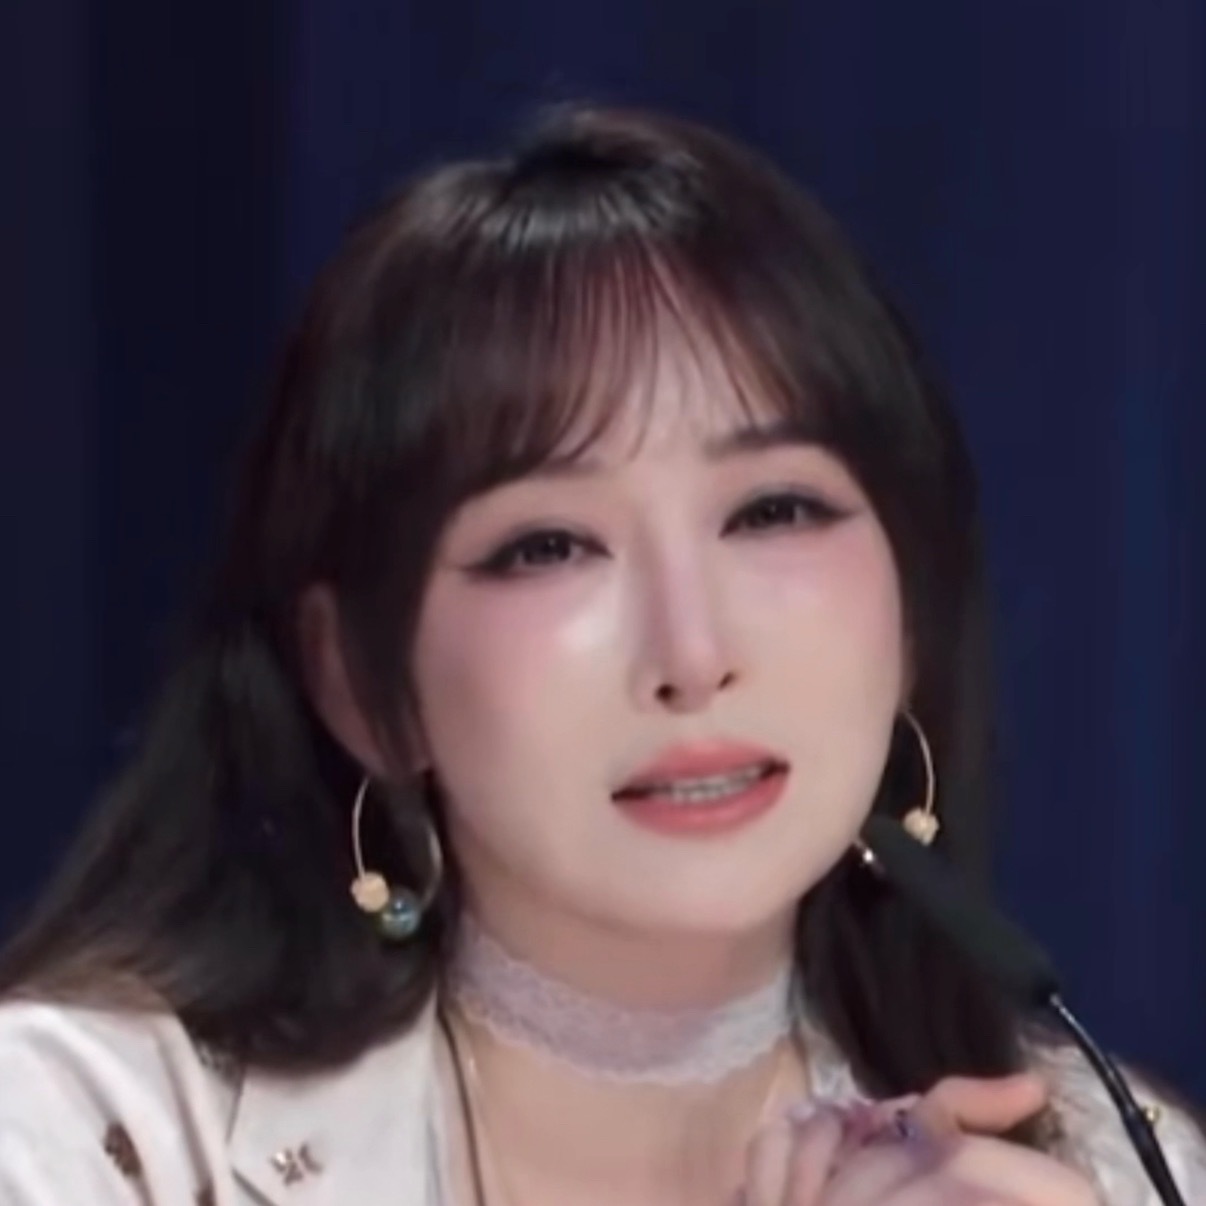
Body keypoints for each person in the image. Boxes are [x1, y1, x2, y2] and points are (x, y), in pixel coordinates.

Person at [0, 105, 1200, 1206]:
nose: (693, 655)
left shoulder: (1108, 1167)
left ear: (911, 610)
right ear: (360, 683)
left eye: (773, 510)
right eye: (550, 546)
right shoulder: (81, 1136)